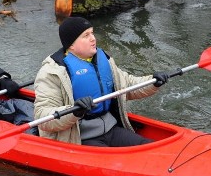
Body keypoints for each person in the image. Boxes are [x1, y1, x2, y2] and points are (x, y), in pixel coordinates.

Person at [33, 16, 170, 147]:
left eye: (92, 33)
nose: (93, 39)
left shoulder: (103, 59)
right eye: (86, 36)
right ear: (71, 45)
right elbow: (43, 117)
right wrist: (74, 111)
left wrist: (153, 81)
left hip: (110, 128)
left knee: (148, 146)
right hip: (79, 137)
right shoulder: (51, 72)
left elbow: (127, 85)